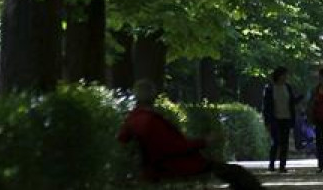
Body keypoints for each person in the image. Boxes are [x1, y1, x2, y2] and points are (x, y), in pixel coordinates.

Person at [117, 79, 262, 190]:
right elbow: (176, 147)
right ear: (153, 96)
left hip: (161, 165)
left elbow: (124, 140)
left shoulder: (133, 119)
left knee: (232, 172)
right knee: (238, 173)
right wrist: (205, 141)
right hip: (176, 165)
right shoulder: (151, 121)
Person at [261, 66, 303, 172]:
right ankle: (271, 165)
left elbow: (291, 102)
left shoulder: (287, 87)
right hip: (275, 119)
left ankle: (282, 166)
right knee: (275, 142)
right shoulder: (270, 88)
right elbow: (266, 107)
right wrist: (267, 121)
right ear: (278, 76)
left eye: (286, 75)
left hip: (286, 118)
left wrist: (300, 98)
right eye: (284, 75)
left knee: (285, 143)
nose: (285, 77)